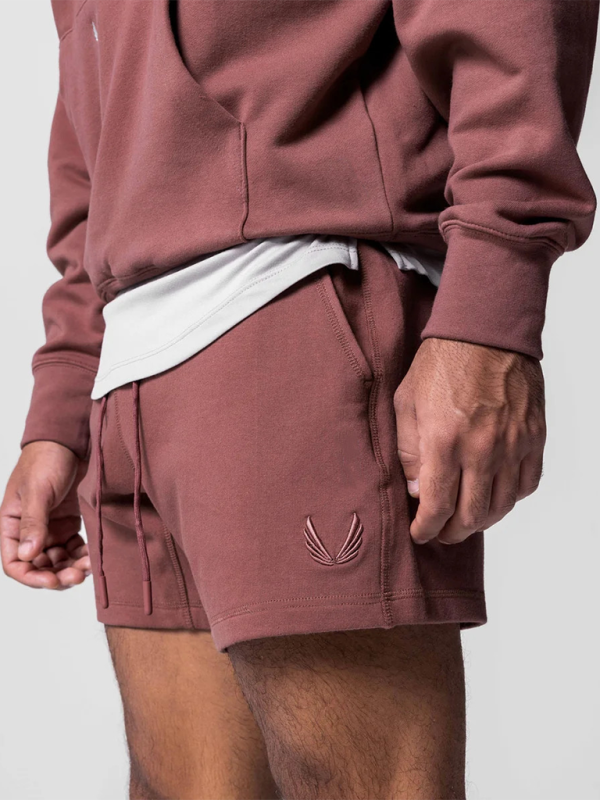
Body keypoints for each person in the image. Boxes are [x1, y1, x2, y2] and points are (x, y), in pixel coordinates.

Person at [1, 0, 598, 797]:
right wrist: (63, 405)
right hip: (131, 365)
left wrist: (492, 312)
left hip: (296, 302)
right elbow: (96, 137)